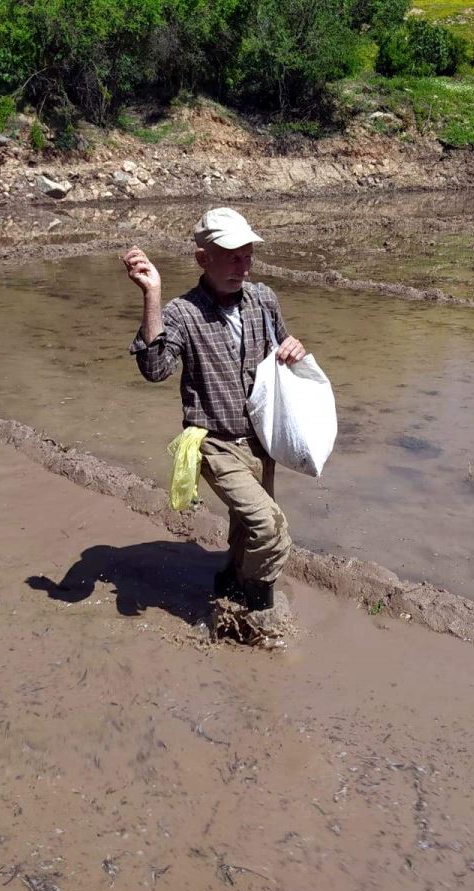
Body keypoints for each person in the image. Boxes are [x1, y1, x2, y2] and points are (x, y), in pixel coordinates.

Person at [123, 208, 307, 611]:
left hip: (261, 441)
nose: (242, 267)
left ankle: (228, 582)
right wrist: (151, 294)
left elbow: (282, 346)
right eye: (231, 257)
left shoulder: (263, 299)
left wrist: (294, 347)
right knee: (270, 527)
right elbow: (155, 369)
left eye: (248, 256)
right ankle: (258, 612)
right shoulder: (181, 313)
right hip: (215, 444)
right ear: (203, 258)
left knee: (246, 528)